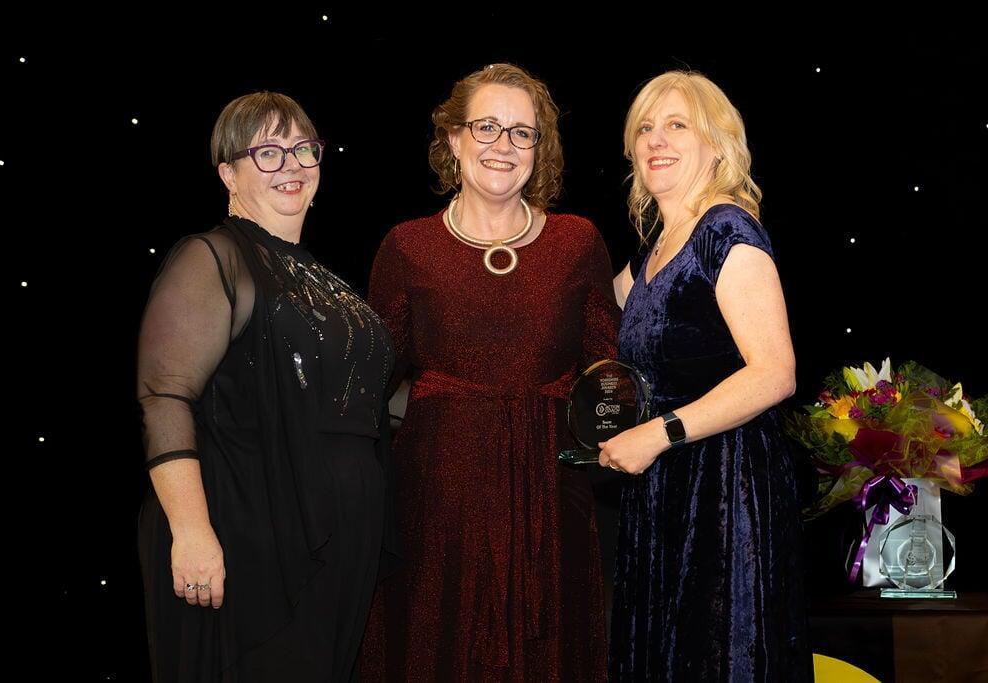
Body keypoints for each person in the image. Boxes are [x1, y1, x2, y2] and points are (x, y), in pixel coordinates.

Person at [362, 63, 618, 680]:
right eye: (486, 127)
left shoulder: (577, 241)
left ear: (539, 148)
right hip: (437, 497)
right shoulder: (407, 246)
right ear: (453, 139)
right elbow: (370, 381)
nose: (504, 145)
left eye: (522, 132)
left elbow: (607, 371)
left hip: (551, 497)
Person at [136, 91, 399, 681]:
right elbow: (165, 398)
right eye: (269, 153)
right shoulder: (212, 257)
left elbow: (368, 398)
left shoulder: (325, 279)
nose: (293, 165)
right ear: (228, 174)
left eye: (304, 149)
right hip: (251, 536)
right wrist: (192, 532)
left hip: (335, 539)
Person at [603, 71, 812, 681]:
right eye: (645, 127)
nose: (656, 139)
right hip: (664, 487)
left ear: (716, 145)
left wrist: (658, 433)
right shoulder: (654, 249)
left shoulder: (726, 230)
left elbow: (775, 373)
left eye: (677, 125)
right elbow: (582, 311)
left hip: (724, 487)